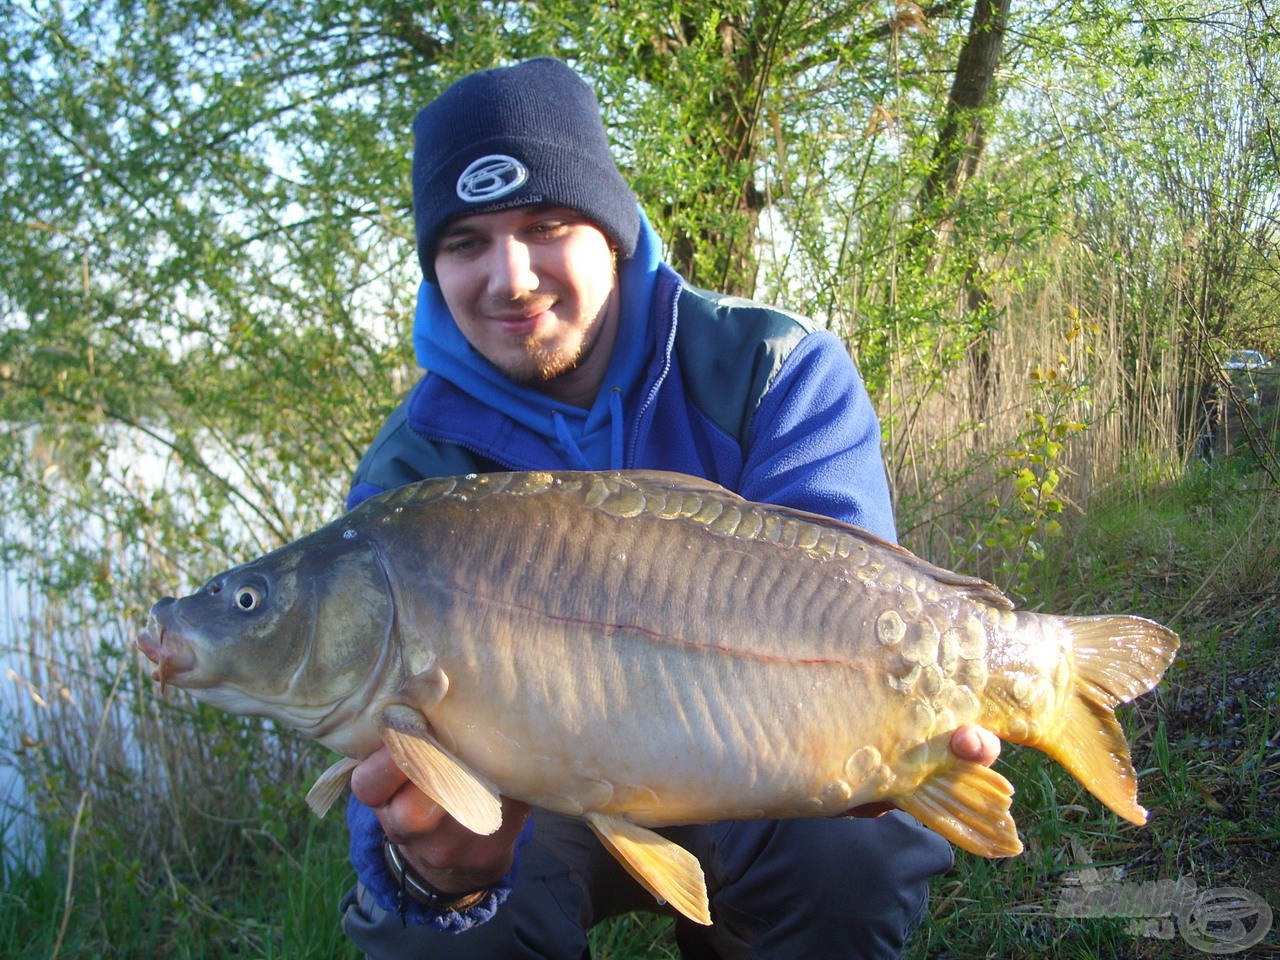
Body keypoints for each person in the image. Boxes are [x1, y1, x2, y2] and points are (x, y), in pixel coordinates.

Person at [339, 57, 1001, 960]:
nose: (512, 277)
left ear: (609, 232)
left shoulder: (773, 364)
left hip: (761, 756)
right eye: (465, 244)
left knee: (853, 847)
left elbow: (851, 615)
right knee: (433, 933)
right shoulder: (408, 477)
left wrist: (912, 717)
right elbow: (383, 772)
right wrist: (435, 869)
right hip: (539, 801)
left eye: (546, 225)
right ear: (435, 267)